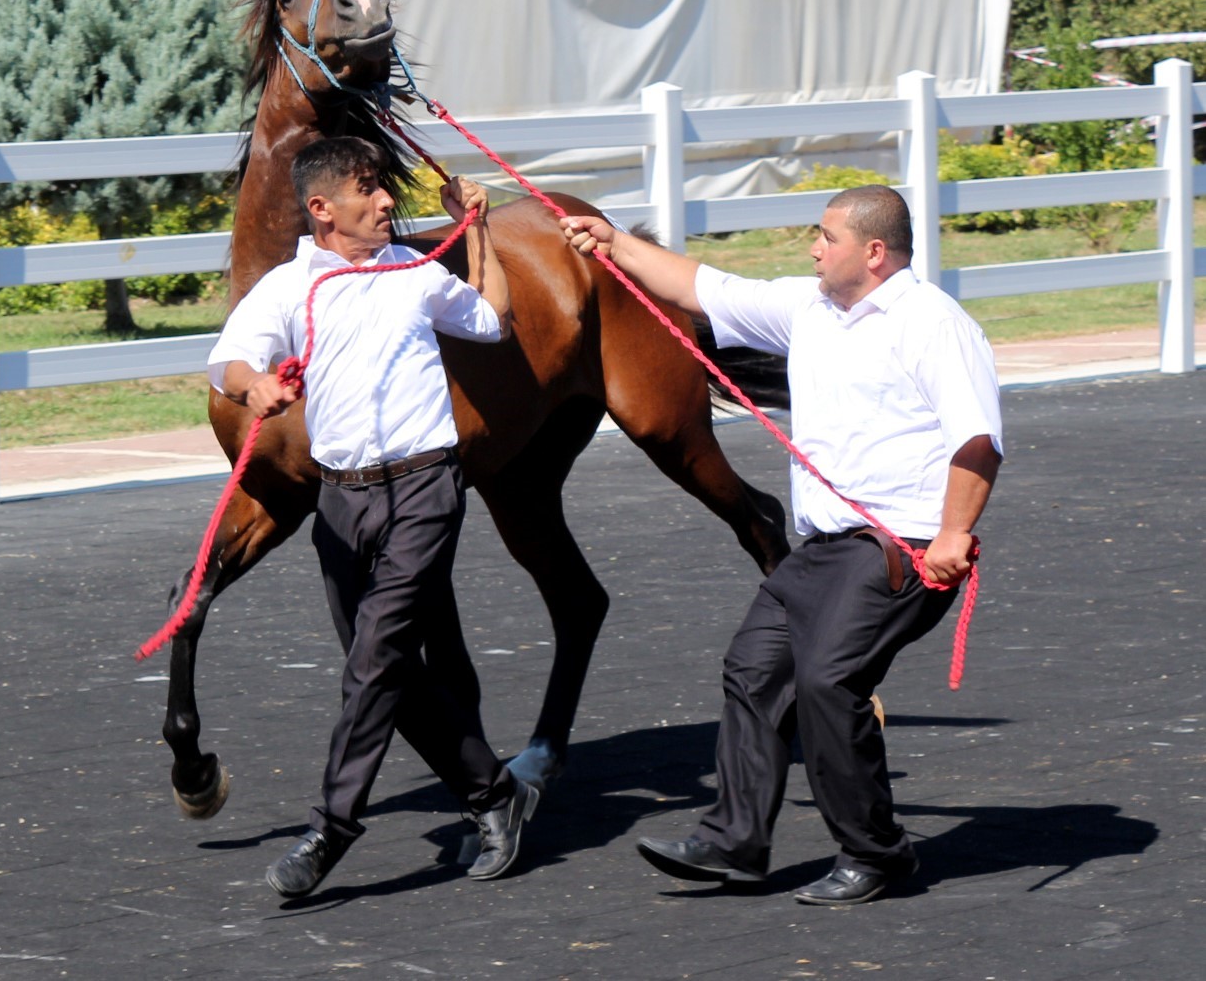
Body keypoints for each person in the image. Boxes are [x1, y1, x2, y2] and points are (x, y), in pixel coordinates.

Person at [561, 185, 1002, 906]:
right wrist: (611, 241)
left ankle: (875, 853)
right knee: (753, 667)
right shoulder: (811, 308)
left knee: (828, 681)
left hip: (900, 547)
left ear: (873, 251)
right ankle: (732, 841)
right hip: (821, 551)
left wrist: (953, 533)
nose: (812, 247)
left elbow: (977, 439)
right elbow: (704, 286)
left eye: (825, 236)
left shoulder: (932, 324)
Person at [208, 134, 538, 899]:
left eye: (383, 188)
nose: (388, 199)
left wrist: (477, 228)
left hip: (425, 491)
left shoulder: (415, 274)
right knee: (389, 669)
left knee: (371, 662)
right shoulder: (289, 289)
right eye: (368, 189)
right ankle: (494, 792)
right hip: (341, 501)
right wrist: (252, 384)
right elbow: (227, 358)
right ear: (322, 210)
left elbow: (491, 321)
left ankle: (331, 828)